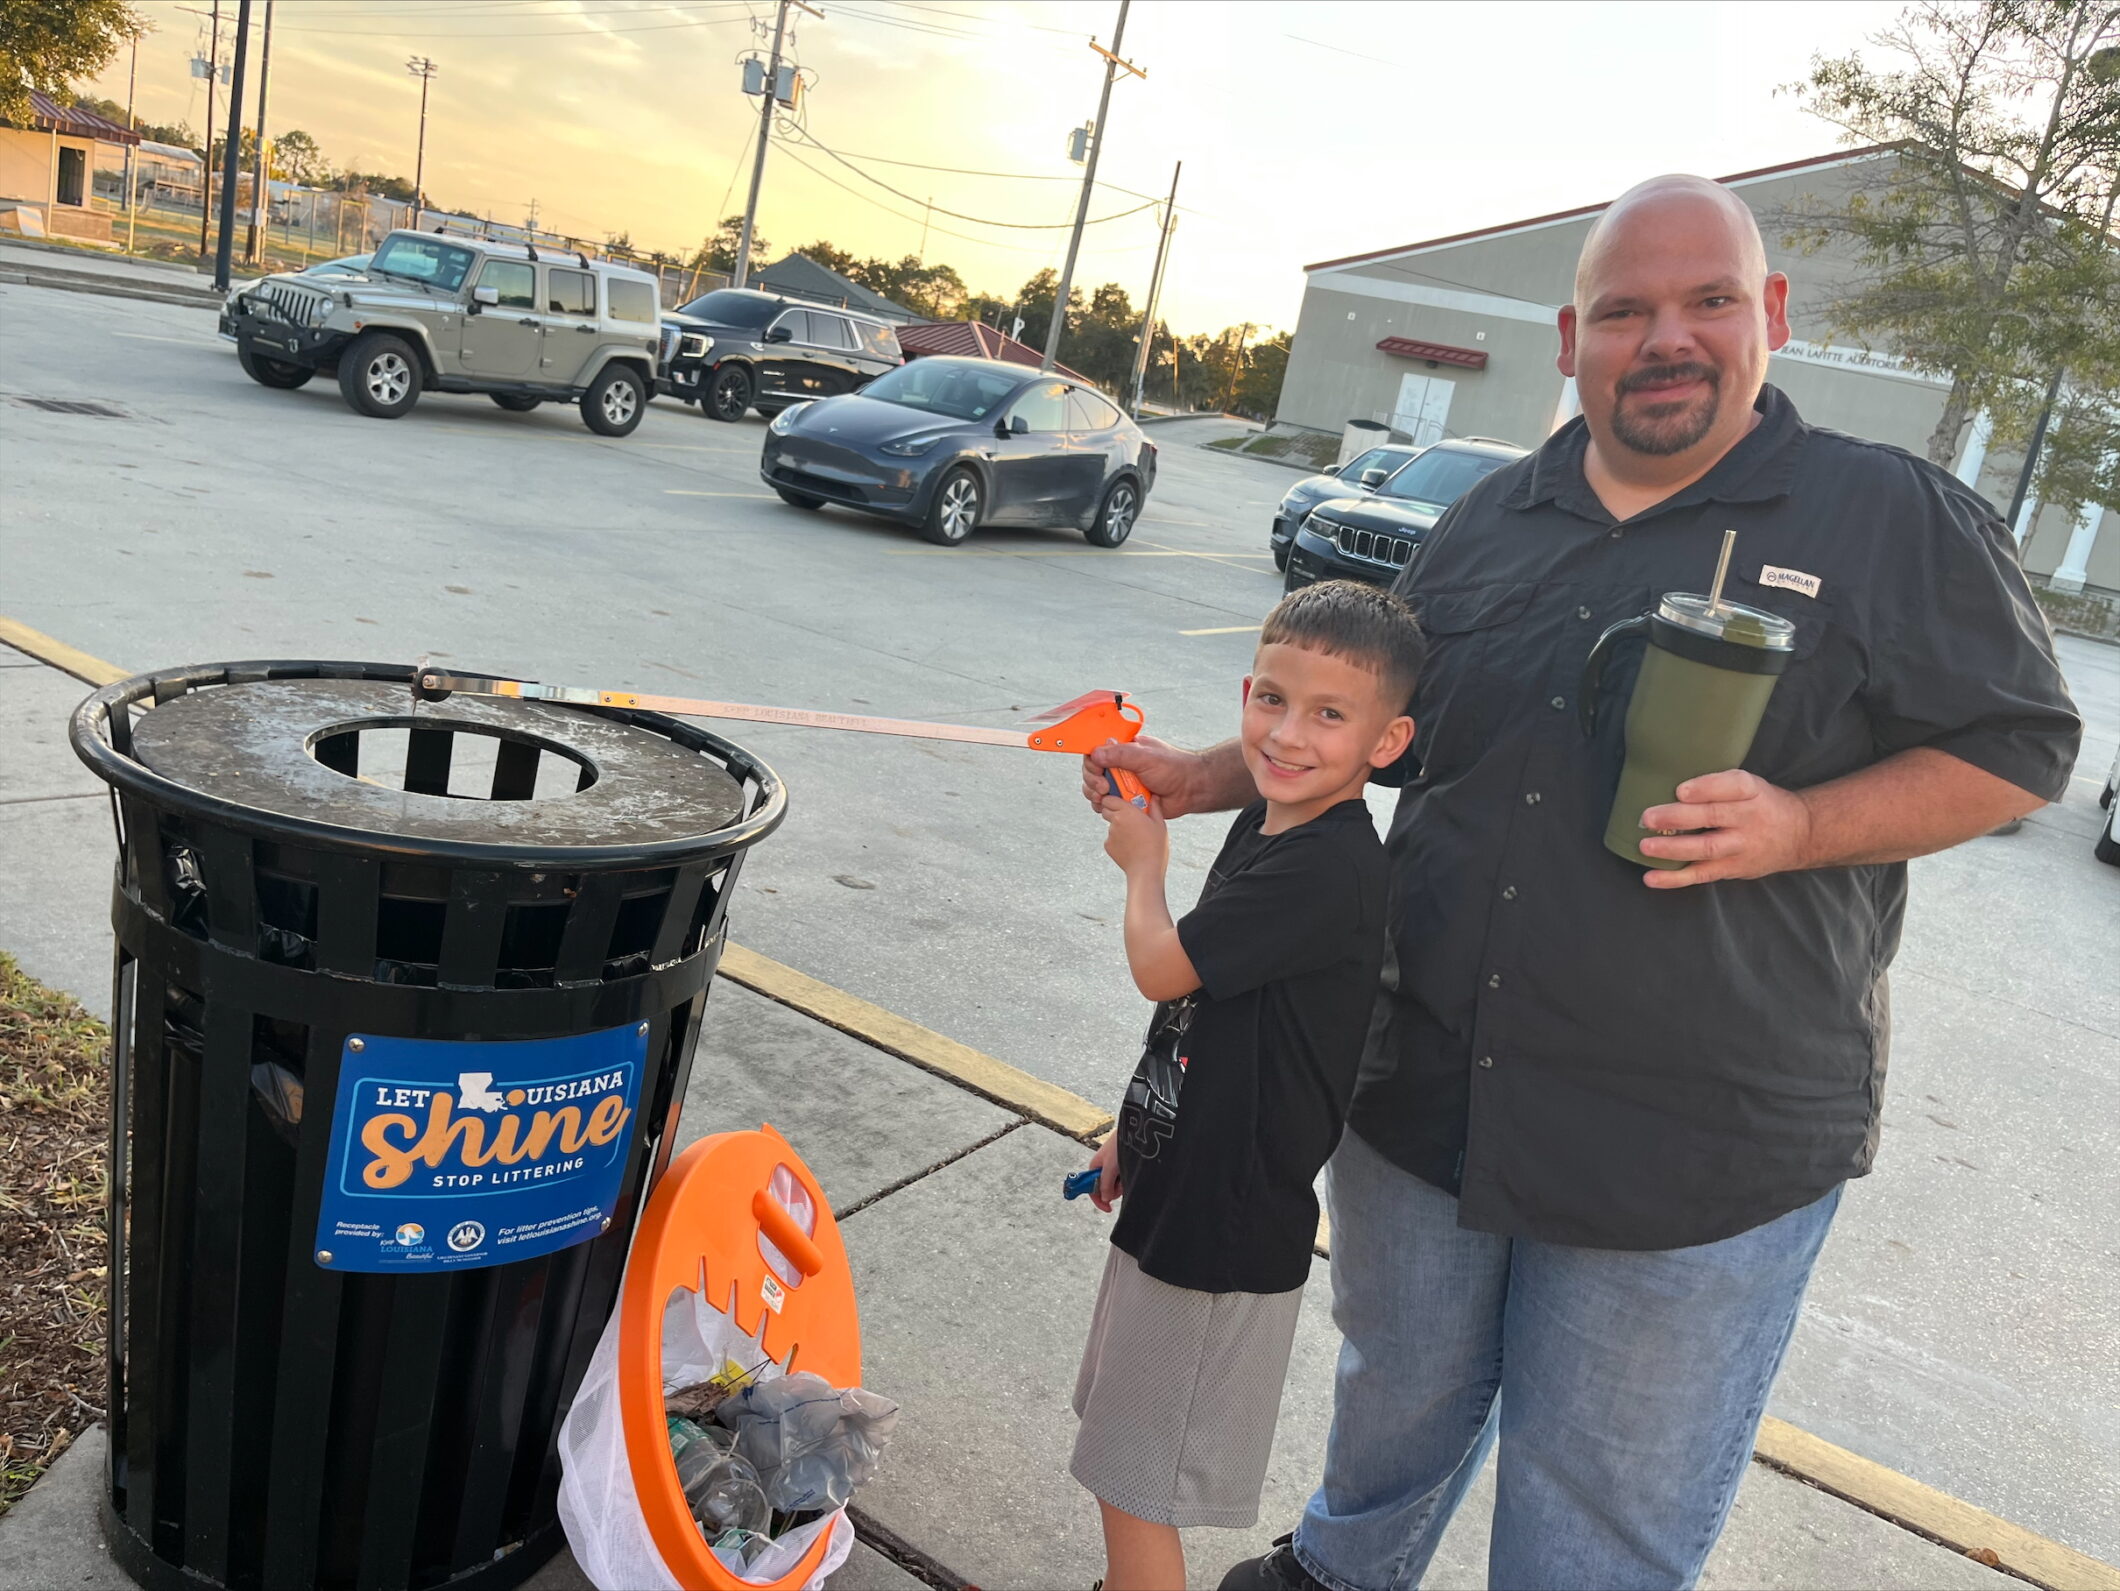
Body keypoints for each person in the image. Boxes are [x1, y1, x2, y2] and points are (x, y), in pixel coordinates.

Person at [1086, 175, 2082, 1591]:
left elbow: (2020, 746)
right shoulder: (1492, 515)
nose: (1664, 336)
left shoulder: (1886, 516)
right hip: (1425, 1097)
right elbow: (1374, 723)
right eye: (1626, 309)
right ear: (1573, 339)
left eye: (1707, 301)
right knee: (1391, 1408)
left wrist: (1797, 822)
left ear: (1771, 316)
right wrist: (1202, 771)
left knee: (1595, 1517)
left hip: (1693, 1148)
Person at [1069, 581, 1426, 1591]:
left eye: (1327, 714)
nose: (1286, 733)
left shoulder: (1328, 867)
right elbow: (1202, 1013)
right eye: (1270, 699)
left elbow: (1163, 965)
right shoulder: (1273, 823)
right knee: (1114, 1451)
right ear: (1242, 690)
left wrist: (1142, 865)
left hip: (1221, 1230)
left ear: (1385, 740)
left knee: (1135, 1481)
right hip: (1181, 1190)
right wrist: (1135, 1130)